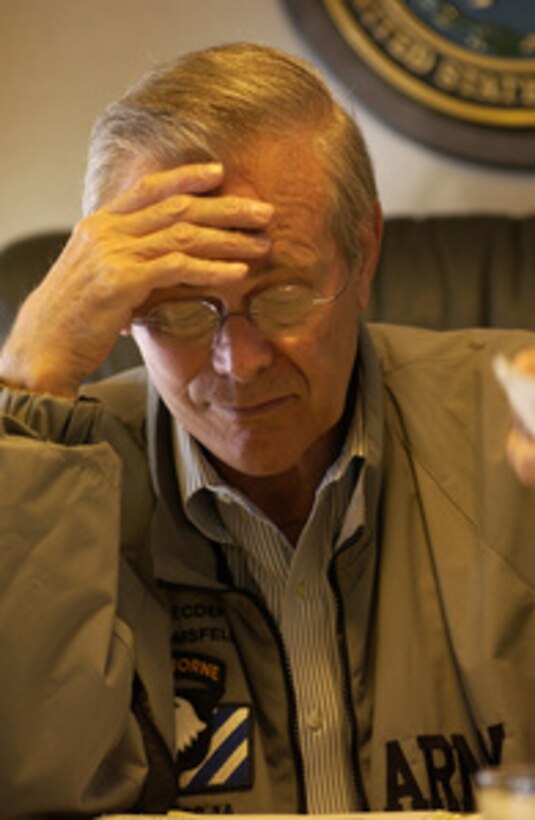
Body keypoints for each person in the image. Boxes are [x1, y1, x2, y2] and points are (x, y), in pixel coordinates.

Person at [0, 43, 533, 818]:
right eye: (177, 307)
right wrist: (24, 383)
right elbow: (23, 786)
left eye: (282, 294)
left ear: (363, 252)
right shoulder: (42, 480)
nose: (238, 362)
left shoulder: (513, 424)